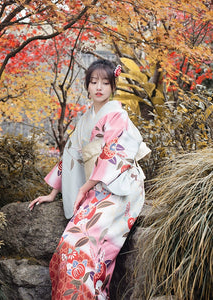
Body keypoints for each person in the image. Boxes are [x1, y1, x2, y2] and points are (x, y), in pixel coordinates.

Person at [29, 59, 151, 299]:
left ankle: (92, 293)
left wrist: (85, 186)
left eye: (105, 82)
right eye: (94, 82)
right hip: (98, 185)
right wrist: (53, 192)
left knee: (85, 242)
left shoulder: (117, 114)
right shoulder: (85, 119)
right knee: (69, 243)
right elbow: (71, 154)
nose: (99, 87)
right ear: (87, 85)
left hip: (122, 185)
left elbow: (114, 154)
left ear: (113, 87)